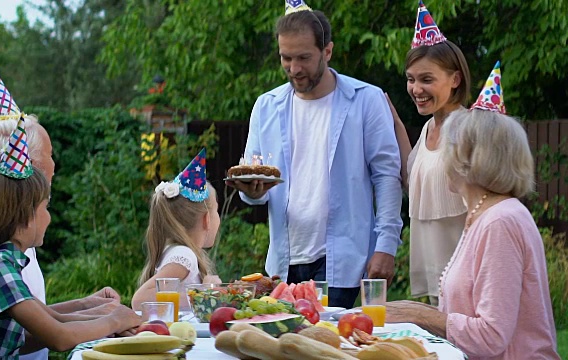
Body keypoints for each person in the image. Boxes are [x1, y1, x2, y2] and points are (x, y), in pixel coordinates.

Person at [225, 0, 403, 309]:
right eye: (286, 58)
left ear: (328, 51)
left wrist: (386, 245)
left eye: (304, 57)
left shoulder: (366, 100)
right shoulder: (266, 106)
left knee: (330, 349)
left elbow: (387, 176)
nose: (294, 68)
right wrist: (252, 193)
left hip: (344, 259)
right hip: (284, 261)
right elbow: (255, 185)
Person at [0, 70, 121, 360]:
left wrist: (92, 308)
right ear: (21, 215)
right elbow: (56, 336)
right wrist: (113, 322)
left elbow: (38, 318)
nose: (49, 216)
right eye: (44, 207)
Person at [386, 64, 560, 359]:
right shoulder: (483, 213)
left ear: (470, 160)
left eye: (447, 150)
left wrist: (419, 315)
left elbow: (490, 336)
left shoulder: (500, 221)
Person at [388, 0, 470, 306]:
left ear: (455, 79)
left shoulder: (468, 129)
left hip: (463, 275)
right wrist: (395, 124)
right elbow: (413, 179)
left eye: (426, 79)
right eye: (411, 79)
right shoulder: (426, 131)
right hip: (437, 274)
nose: (416, 89)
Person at [132, 149, 222, 311]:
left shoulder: (178, 251)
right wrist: (205, 292)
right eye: (217, 210)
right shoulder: (183, 255)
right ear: (207, 219)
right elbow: (140, 299)